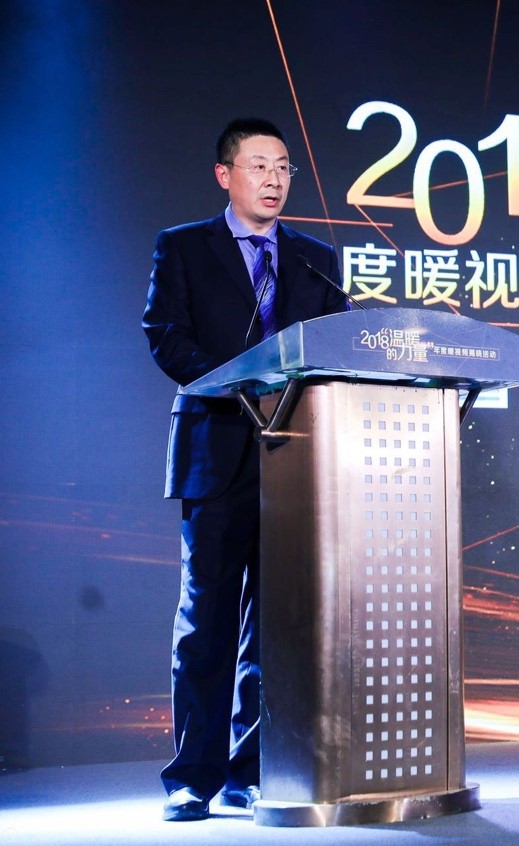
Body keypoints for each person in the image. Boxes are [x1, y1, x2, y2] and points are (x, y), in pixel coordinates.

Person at [142, 118, 349, 822]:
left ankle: (250, 769)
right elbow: (164, 334)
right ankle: (191, 777)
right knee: (206, 621)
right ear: (224, 175)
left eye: (284, 167)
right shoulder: (183, 247)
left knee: (275, 628)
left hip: (296, 457)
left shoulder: (316, 259)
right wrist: (240, 382)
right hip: (217, 452)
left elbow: (336, 343)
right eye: (259, 165)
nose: (274, 179)